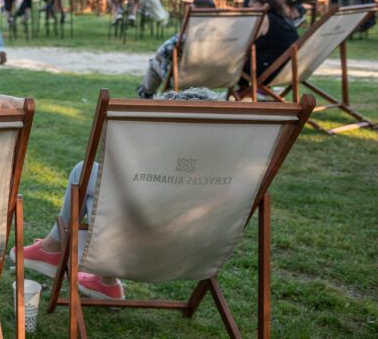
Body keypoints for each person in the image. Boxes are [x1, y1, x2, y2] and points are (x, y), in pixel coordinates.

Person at [12, 87, 229, 302]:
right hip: (192, 254)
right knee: (102, 193)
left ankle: (53, 247)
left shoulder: (153, 170)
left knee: (84, 174)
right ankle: (105, 282)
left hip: (132, 249)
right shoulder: (227, 178)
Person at [136, 0, 217, 99]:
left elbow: (163, 51)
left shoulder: (190, 35)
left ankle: (145, 94)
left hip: (183, 79)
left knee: (154, 61)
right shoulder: (223, 35)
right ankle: (145, 93)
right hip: (214, 77)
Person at [239, 0, 299, 91]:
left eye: (253, 2)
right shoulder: (285, 21)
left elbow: (245, 45)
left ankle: (244, 91)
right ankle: (248, 91)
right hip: (287, 70)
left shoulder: (264, 19)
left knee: (235, 61)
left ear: (265, 4)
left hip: (267, 71)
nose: (249, 5)